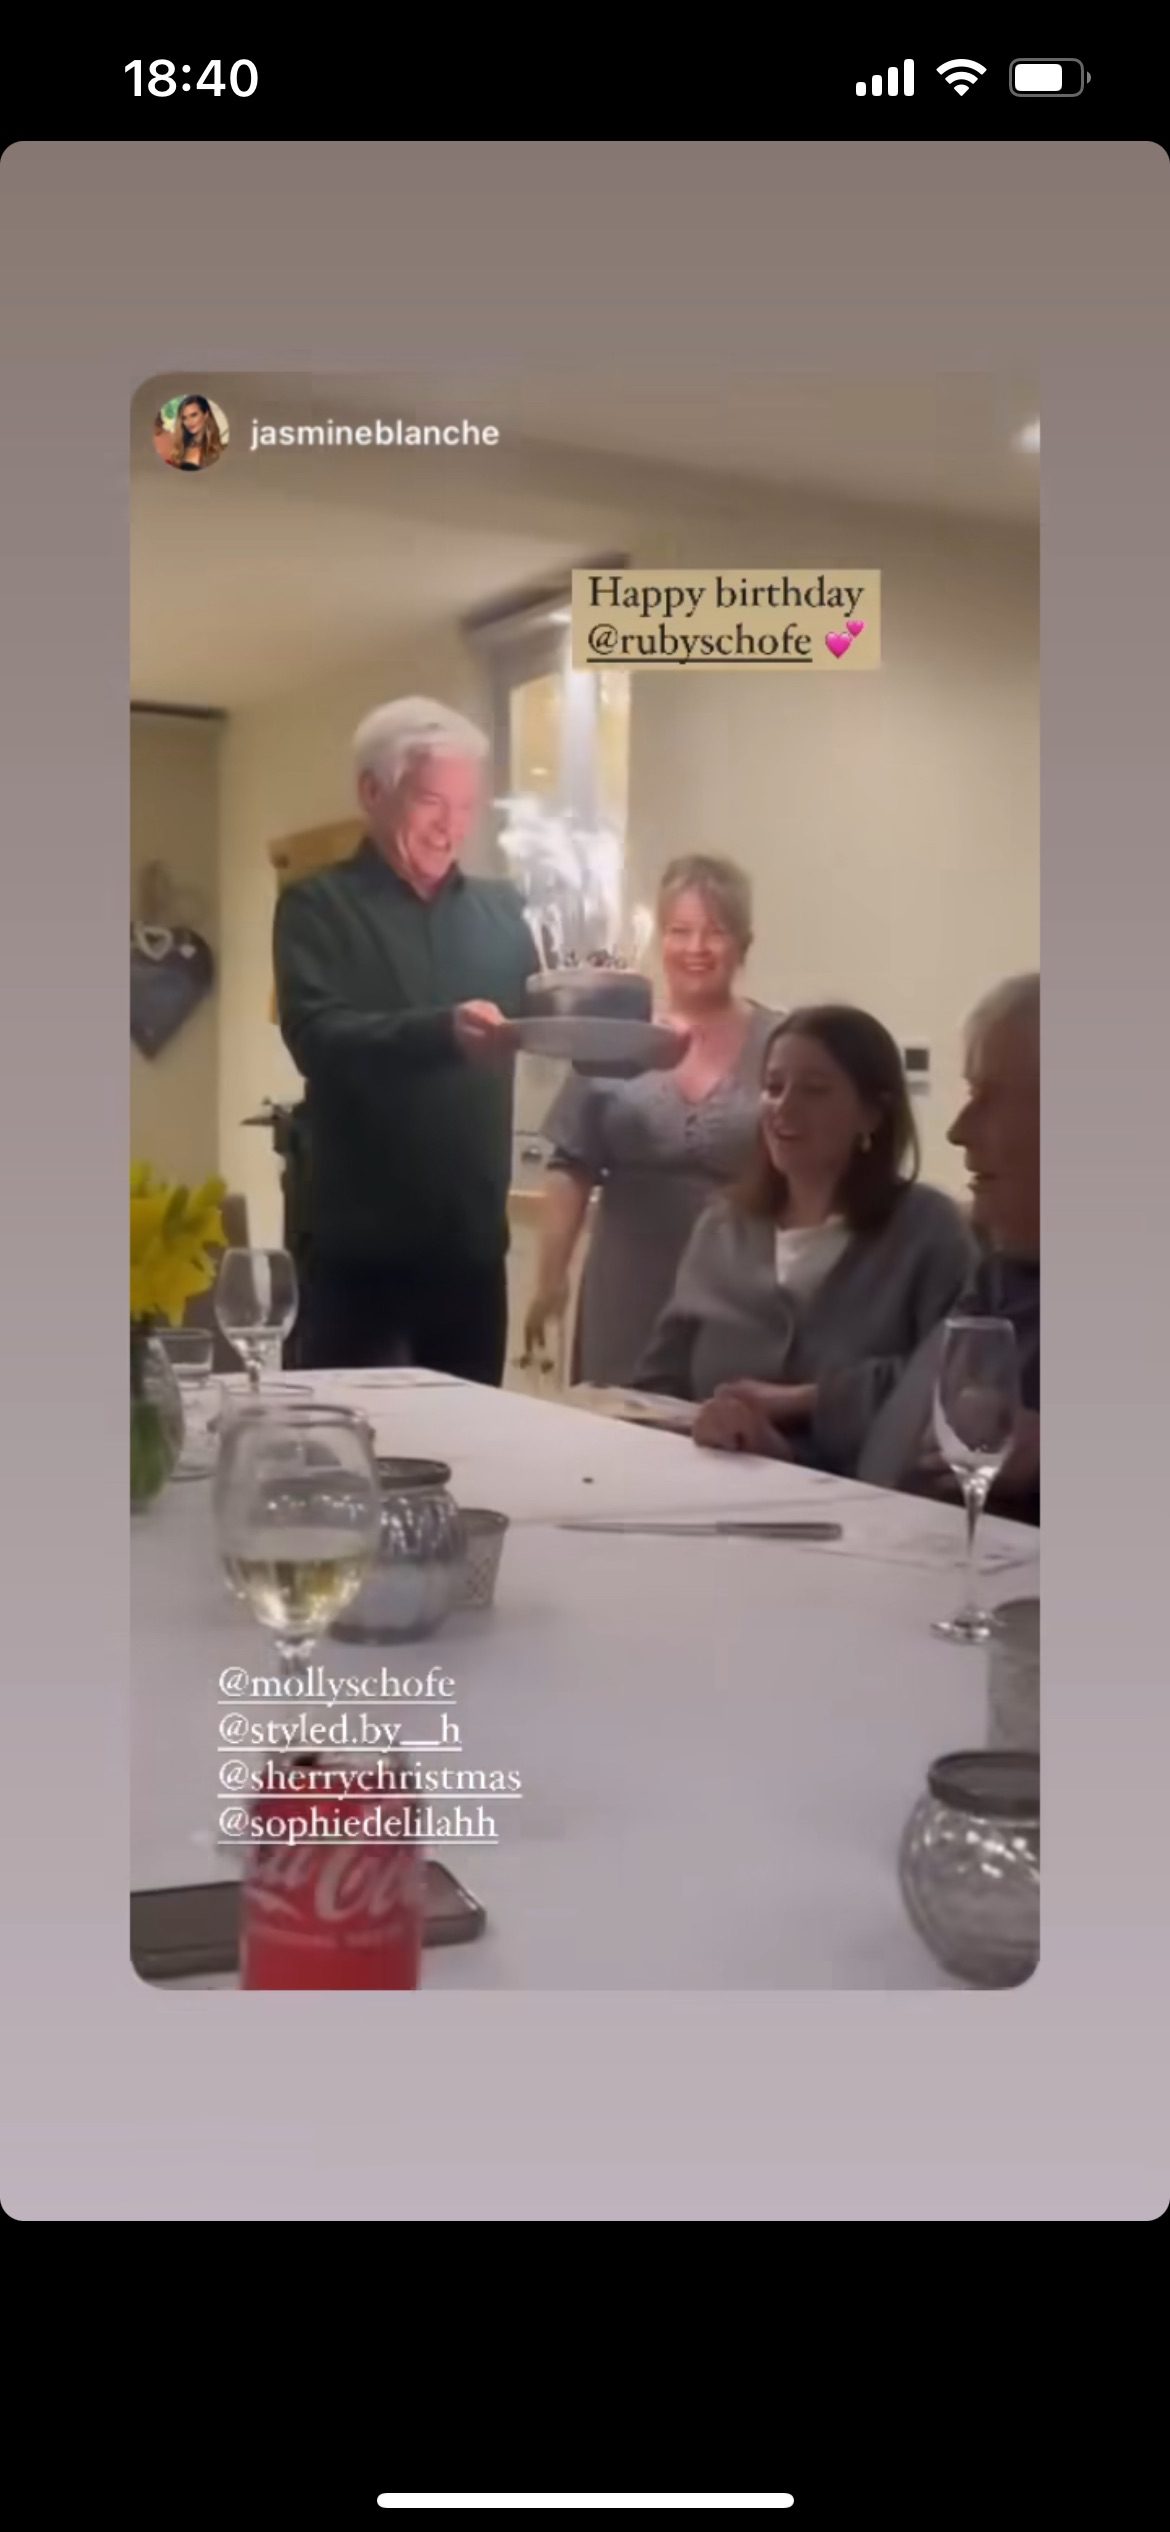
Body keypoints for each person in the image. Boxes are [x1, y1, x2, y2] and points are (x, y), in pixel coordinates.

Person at [695, 975, 1041, 1525]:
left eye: (988, 1098)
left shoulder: (933, 1231)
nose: (958, 1130)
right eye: (774, 1085)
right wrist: (778, 1456)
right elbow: (895, 1462)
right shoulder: (1005, 1274)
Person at [273, 696, 538, 1383]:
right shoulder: (315, 906)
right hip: (359, 1258)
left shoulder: (507, 913)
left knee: (474, 1461)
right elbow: (318, 1037)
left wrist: (630, 1022)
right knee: (355, 1455)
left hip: (473, 1256)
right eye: (430, 801)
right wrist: (439, 1032)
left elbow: (555, 1014)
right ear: (373, 791)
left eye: (466, 806)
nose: (451, 827)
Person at [632, 1006, 974, 1444]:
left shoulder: (929, 1231)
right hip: (708, 1483)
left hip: (865, 1500)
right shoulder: (722, 1226)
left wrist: (803, 1400)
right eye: (773, 1087)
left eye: (814, 1090)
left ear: (871, 1114)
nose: (784, 1107)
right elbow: (660, 1381)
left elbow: (952, 1381)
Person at [524, 855, 777, 1388]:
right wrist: (549, 1281)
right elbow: (571, 1163)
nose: (696, 948)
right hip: (627, 1287)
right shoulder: (615, 1035)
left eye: (715, 932)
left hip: (738, 1289)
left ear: (744, 943)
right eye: (680, 931)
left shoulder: (780, 1044)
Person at [164, 394, 224, 471]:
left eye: (193, 415)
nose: (189, 422)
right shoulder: (180, 448)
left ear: (206, 414)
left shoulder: (218, 451)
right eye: (184, 418)